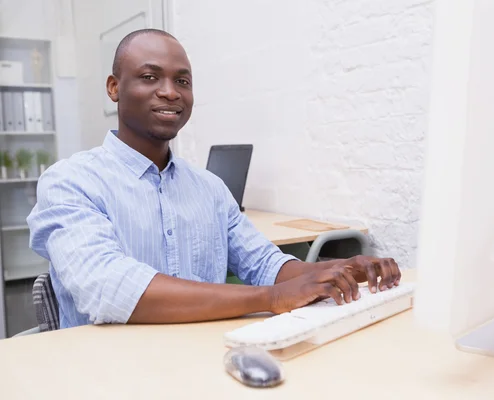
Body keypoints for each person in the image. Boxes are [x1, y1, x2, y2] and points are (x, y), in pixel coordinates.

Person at [26, 29, 402, 329]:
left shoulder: (209, 189)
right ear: (114, 88)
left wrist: (336, 271)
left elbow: (267, 265)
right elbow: (108, 287)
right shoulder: (70, 182)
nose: (170, 92)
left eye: (183, 81)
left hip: (206, 364)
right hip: (110, 376)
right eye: (149, 76)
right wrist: (270, 298)